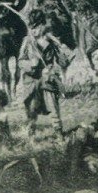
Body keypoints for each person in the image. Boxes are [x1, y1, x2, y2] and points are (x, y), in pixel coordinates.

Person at [18, 9, 65, 138]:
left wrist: (61, 50)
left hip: (47, 79)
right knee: (32, 109)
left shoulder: (51, 42)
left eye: (37, 27)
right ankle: (31, 136)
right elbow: (20, 62)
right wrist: (30, 64)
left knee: (53, 106)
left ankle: (59, 133)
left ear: (43, 25)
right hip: (31, 81)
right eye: (32, 27)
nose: (34, 30)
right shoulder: (27, 42)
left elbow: (62, 63)